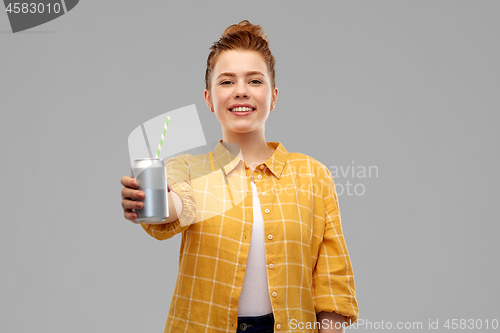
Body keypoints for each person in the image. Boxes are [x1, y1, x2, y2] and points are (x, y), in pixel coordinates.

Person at [121, 20, 358, 333]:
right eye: (227, 82)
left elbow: (332, 283)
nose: (241, 91)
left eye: (255, 81)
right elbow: (177, 205)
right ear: (209, 99)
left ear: (273, 96)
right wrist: (150, 200)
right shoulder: (189, 168)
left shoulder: (313, 175)